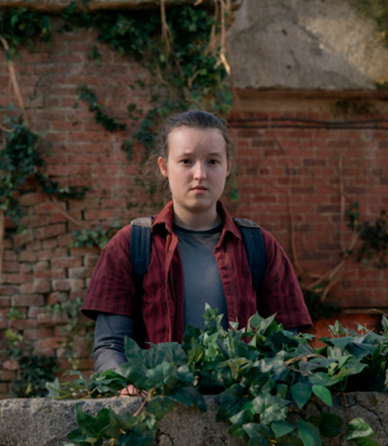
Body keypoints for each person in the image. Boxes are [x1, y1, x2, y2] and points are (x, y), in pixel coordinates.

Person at [82, 110, 312, 380]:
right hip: (157, 403)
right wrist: (125, 386)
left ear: (228, 166)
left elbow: (289, 346)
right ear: (164, 166)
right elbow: (110, 346)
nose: (200, 174)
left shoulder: (260, 246)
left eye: (212, 161)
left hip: (242, 404)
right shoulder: (130, 245)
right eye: (186, 161)